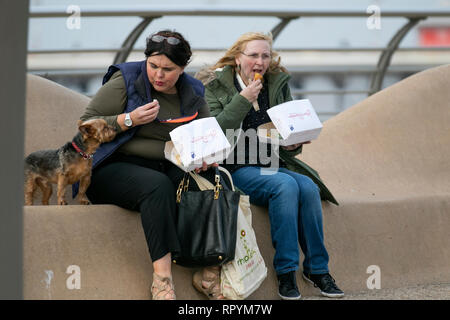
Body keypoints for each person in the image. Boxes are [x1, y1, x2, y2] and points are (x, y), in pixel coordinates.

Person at [77, 30, 226, 300]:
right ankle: (162, 280)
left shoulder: (192, 91)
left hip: (165, 165)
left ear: (182, 69)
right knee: (157, 187)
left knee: (215, 180)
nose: (158, 74)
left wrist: (206, 157)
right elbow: (86, 125)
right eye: (153, 66)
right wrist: (129, 120)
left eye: (168, 69)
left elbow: (207, 135)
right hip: (110, 166)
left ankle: (208, 272)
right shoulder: (126, 79)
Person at [199, 32, 344, 299]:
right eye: (253, 55)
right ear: (237, 58)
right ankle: (286, 273)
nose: (260, 61)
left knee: (309, 188)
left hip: (270, 162)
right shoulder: (215, 86)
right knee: (285, 185)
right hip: (234, 168)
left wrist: (293, 143)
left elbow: (286, 128)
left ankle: (318, 269)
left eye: (265, 55)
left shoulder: (276, 84)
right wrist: (243, 99)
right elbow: (215, 132)